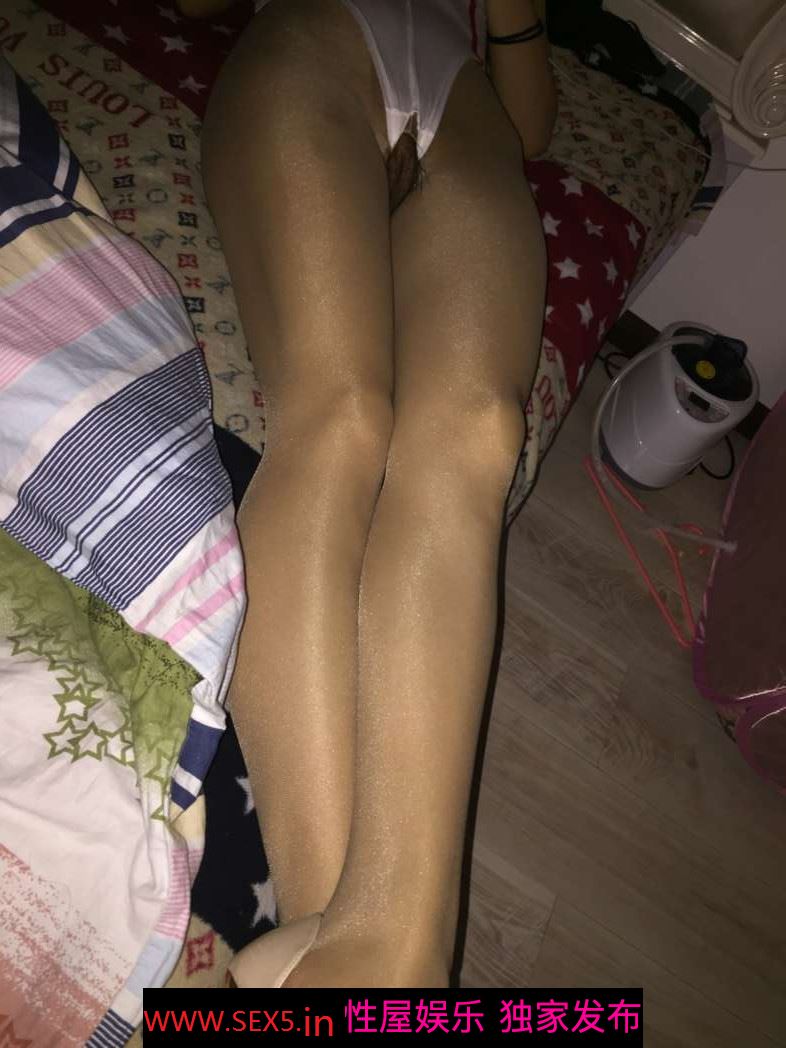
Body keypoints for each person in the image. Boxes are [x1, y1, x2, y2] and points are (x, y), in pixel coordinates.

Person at [178, 0, 556, 987]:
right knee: (344, 416)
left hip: (463, 110)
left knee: (482, 430)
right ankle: (382, 962)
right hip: (317, 44)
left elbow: (531, 125)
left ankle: (338, 958)